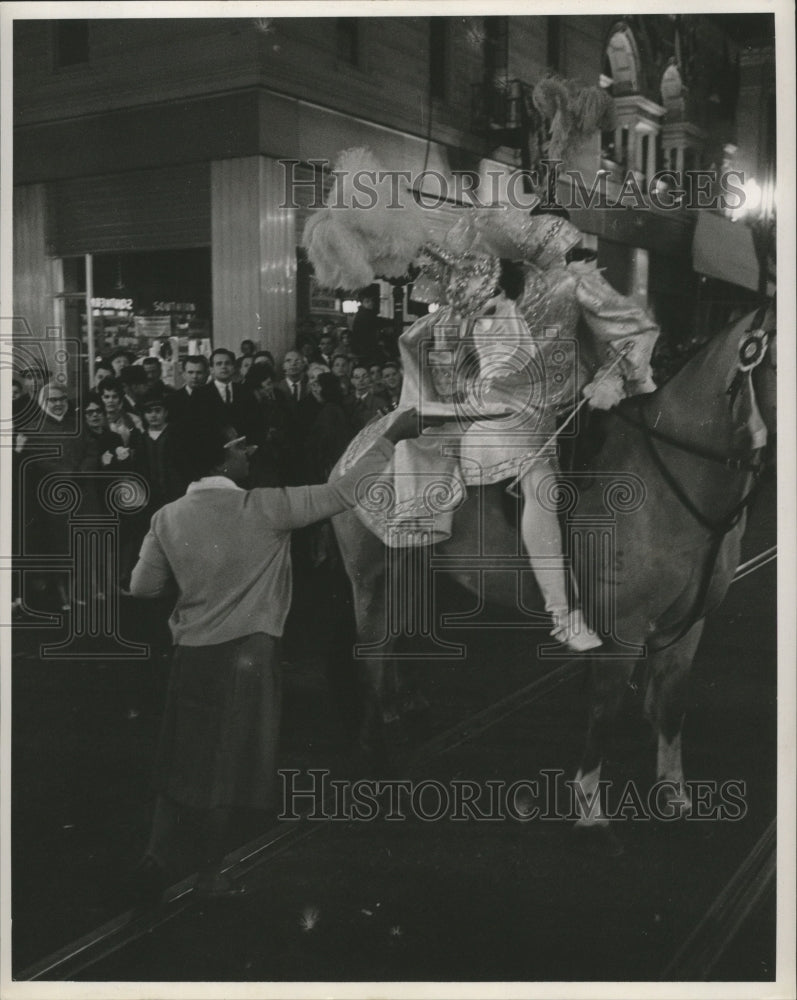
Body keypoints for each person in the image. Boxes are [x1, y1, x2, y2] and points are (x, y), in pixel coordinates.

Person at [126, 408, 427, 903]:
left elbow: (143, 587)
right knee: (227, 769)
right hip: (249, 653)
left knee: (180, 757)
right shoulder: (266, 507)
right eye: (239, 444)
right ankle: (210, 873)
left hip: (191, 654)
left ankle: (155, 858)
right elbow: (345, 492)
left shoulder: (166, 517)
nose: (249, 450)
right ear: (220, 459)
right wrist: (390, 435)